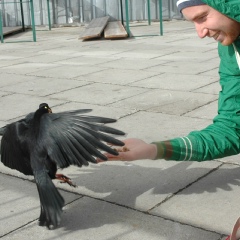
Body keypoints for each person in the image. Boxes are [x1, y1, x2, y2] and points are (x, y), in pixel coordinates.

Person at [97, 1, 240, 239]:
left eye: (203, 17)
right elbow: (232, 128)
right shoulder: (231, 48)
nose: (200, 33)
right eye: (193, 22)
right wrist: (153, 150)